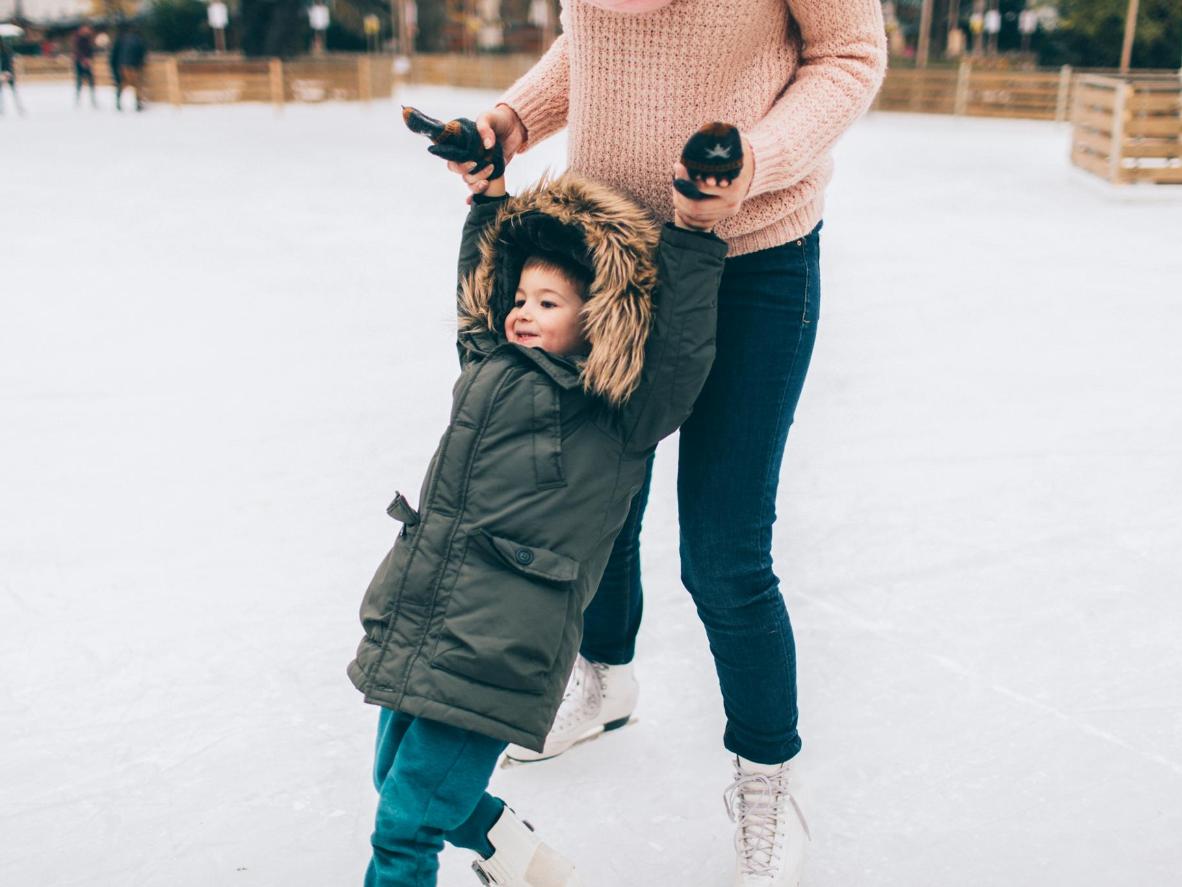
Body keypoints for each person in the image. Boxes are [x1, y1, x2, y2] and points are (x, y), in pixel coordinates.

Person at [449, 3, 888, 886]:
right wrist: (513, 121)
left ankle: (769, 776)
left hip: (752, 256)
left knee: (724, 552)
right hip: (609, 257)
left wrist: (753, 158)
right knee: (594, 505)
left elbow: (847, 55)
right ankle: (606, 677)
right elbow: (602, 47)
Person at [347, 112, 729, 887]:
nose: (522, 310)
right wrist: (487, 194)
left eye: (548, 303)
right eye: (521, 297)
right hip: (427, 610)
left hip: (501, 642)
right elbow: (477, 294)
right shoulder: (490, 364)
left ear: (597, 317)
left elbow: (679, 354)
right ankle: (520, 856)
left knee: (406, 825)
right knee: (398, 782)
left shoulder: (618, 411)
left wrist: (694, 230)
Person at [116, 24, 146, 112]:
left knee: (124, 82)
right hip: (133, 65)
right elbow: (141, 52)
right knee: (136, 84)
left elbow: (117, 52)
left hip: (123, 64)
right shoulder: (138, 40)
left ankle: (118, 100)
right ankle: (138, 103)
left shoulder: (123, 39)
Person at [72, 24, 97, 108]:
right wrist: (83, 59)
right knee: (79, 81)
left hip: (87, 62)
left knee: (91, 81)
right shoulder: (78, 39)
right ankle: (78, 99)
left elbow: (91, 51)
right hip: (80, 62)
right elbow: (77, 50)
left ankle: (93, 99)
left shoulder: (88, 39)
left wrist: (90, 59)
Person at [0, 38, 22, 116]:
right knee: (12, 92)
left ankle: (18, 108)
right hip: (7, 73)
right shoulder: (8, 52)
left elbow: (8, 64)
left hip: (5, 73)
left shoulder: (5, 53)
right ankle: (18, 108)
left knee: (11, 92)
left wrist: (6, 73)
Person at [108, 25, 124, 110]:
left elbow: (112, 58)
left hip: (118, 66)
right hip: (121, 66)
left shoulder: (118, 42)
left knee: (120, 85)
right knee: (121, 84)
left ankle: (118, 101)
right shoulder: (120, 42)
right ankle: (118, 101)